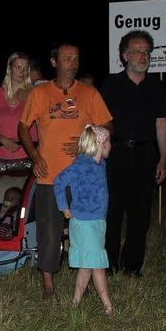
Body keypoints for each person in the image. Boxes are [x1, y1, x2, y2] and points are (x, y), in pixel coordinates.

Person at [18, 42, 112, 300]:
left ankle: (91, 268)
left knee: (88, 225)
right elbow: (23, 128)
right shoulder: (40, 94)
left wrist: (89, 138)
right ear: (54, 62)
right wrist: (35, 156)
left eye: (76, 58)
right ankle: (48, 281)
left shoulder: (89, 93)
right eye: (67, 57)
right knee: (50, 228)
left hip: (84, 176)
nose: (73, 62)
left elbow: (107, 125)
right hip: (49, 173)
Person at [101, 30, 166, 277]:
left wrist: (163, 158)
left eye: (147, 52)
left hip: (145, 154)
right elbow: (100, 123)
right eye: (138, 51)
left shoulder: (155, 86)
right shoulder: (111, 85)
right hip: (116, 154)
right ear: (125, 55)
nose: (143, 56)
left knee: (140, 213)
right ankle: (108, 263)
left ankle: (132, 266)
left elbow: (161, 123)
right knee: (112, 211)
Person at [54, 125, 114, 316]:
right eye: (109, 142)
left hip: (96, 221)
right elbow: (59, 181)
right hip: (84, 223)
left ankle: (75, 303)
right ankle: (108, 306)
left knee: (87, 266)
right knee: (97, 265)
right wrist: (64, 206)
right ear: (100, 144)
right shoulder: (81, 164)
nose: (111, 146)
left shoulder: (100, 164)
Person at [0, 52, 36, 160]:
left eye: (25, 68)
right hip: (0, 156)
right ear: (9, 68)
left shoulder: (35, 94)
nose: (22, 71)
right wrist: (3, 140)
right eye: (18, 67)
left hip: (28, 157)